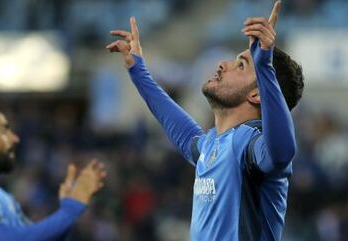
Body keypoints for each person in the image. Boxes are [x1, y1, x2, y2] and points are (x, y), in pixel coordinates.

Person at [107, 1, 304, 240]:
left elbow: (282, 153)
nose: (222, 64)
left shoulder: (251, 145)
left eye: (240, 65)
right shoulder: (213, 144)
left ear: (257, 93)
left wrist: (264, 66)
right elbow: (184, 133)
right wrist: (139, 71)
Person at [0, 99, 107, 241]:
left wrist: (70, 209)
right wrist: (70, 210)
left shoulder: (3, 197)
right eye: (4, 131)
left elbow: (37, 238)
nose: (15, 138)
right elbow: (5, 238)